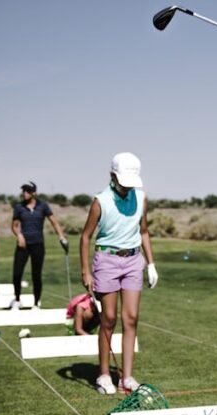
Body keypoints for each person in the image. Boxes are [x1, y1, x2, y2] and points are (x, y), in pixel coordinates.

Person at [80, 152, 158, 395]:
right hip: (107, 260)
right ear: (112, 176)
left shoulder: (141, 198)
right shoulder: (100, 201)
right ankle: (104, 375)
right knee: (109, 318)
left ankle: (127, 377)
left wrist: (151, 264)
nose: (127, 188)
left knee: (131, 318)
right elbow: (85, 237)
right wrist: (86, 271)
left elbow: (143, 231)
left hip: (134, 260)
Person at [10, 181, 68, 309]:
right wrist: (19, 236)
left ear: (34, 193)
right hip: (23, 245)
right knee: (16, 273)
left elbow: (54, 222)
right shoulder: (19, 207)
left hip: (37, 244)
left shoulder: (43, 206)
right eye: (23, 191)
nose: (25, 193)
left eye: (28, 191)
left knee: (36, 275)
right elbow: (14, 226)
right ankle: (17, 299)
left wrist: (61, 237)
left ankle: (36, 303)